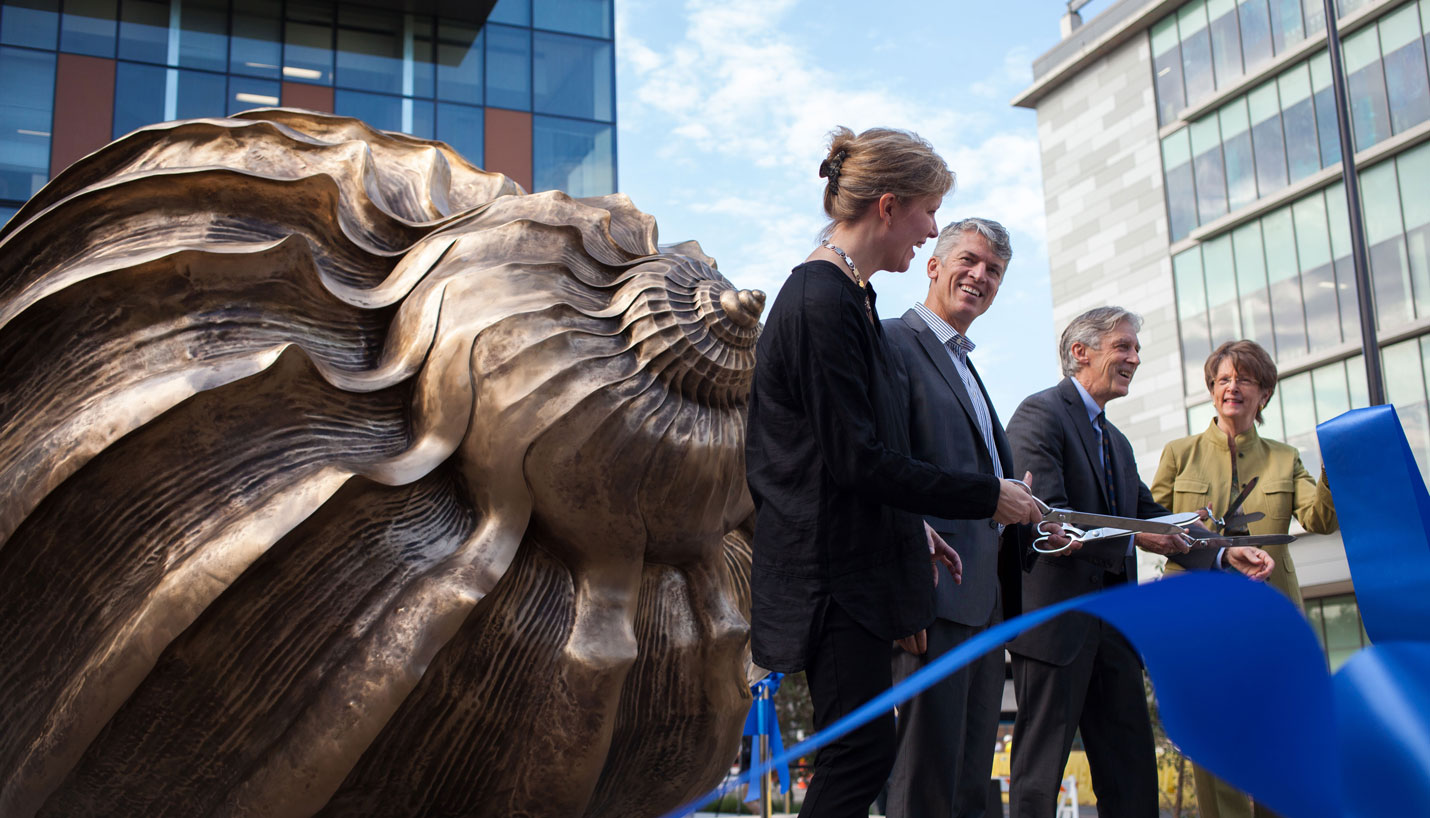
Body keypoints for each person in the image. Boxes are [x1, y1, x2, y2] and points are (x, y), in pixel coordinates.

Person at [745, 127, 1045, 818]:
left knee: (864, 752)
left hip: (853, 561)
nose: (931, 229)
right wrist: (984, 496)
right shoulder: (821, 301)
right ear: (888, 205)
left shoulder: (851, 296)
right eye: (929, 212)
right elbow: (856, 461)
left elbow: (853, 451)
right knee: (859, 755)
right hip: (831, 576)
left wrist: (910, 529)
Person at [1004, 307, 1275, 818]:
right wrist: (1140, 537)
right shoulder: (1040, 414)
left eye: (1136, 349)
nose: (1134, 358)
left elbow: (1152, 517)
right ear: (1079, 352)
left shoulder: (1118, 443)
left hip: (1115, 632)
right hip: (1057, 631)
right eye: (1123, 347)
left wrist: (1220, 551)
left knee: (1131, 777)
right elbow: (1051, 517)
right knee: (1039, 781)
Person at [882, 217, 1040, 818]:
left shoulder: (966, 365)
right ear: (933, 265)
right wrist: (903, 577)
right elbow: (882, 465)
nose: (980, 276)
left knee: (970, 784)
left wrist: (1024, 513)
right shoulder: (893, 342)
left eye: (993, 271)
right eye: (969, 261)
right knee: (926, 780)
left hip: (982, 601)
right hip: (930, 596)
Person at [1151, 339, 1337, 818]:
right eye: (1222, 380)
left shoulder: (1285, 457)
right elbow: (1149, 526)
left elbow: (1318, 520)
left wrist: (1333, 468)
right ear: (1212, 390)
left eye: (1245, 379)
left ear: (1264, 393)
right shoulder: (1179, 454)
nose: (1232, 388)